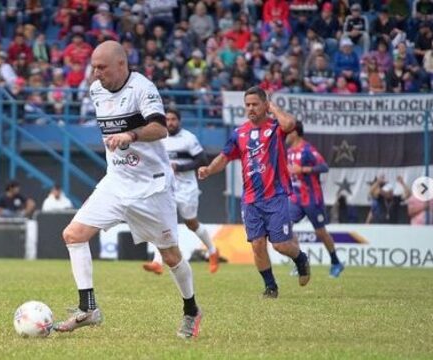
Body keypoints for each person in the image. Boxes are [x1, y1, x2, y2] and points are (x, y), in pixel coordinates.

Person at [53, 41, 202, 339]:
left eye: (101, 67)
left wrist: (129, 135)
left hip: (151, 188)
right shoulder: (96, 90)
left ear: (122, 65)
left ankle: (191, 310)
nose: (95, 74)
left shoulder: (142, 88)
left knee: (171, 257)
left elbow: (160, 128)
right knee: (73, 235)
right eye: (93, 67)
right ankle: (89, 308)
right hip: (117, 181)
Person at [198, 86, 311, 299]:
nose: (250, 108)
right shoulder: (239, 133)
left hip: (276, 196)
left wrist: (273, 107)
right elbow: (224, 157)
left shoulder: (276, 127)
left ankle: (300, 259)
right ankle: (271, 288)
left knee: (280, 245)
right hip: (250, 199)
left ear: (264, 105)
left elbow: (290, 124)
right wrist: (209, 170)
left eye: (255, 104)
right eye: (247, 105)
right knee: (257, 245)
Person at [143, 108, 219, 275]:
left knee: (191, 223)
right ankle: (157, 262)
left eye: (173, 119)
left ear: (179, 121)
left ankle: (213, 251)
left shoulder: (188, 138)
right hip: (166, 187)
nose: (170, 122)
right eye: (167, 119)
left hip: (187, 188)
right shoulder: (160, 138)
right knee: (163, 222)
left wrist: (180, 167)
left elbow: (202, 160)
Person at [286, 122, 344, 278]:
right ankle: (299, 263)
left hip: (312, 198)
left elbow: (324, 167)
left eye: (288, 132)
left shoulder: (307, 150)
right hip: (295, 198)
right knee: (286, 226)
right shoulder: (290, 151)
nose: (285, 134)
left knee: (321, 232)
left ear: (295, 133)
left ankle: (336, 262)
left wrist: (304, 169)